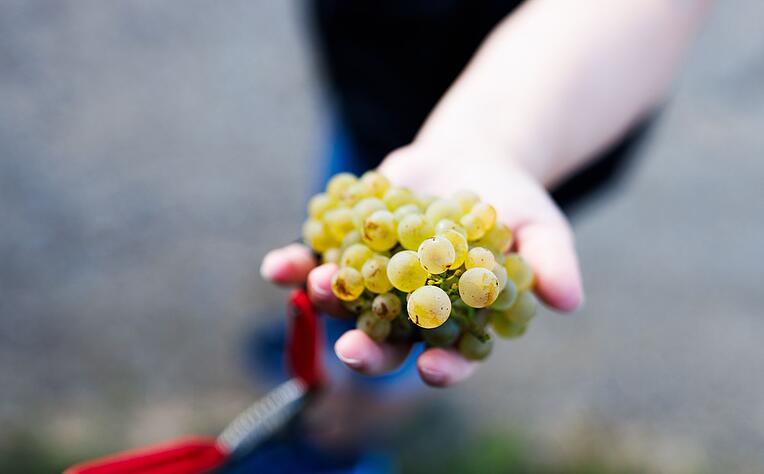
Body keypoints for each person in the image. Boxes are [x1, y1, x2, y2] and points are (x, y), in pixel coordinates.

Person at [262, 0, 711, 388]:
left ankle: (353, 426)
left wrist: (490, 145)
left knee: (390, 364)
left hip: (545, 126)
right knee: (338, 246)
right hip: (372, 90)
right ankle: (319, 356)